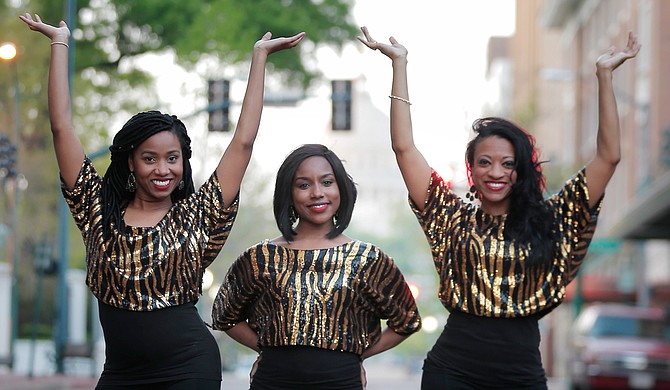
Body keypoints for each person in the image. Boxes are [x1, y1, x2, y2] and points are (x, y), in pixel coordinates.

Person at [20, 12, 305, 390]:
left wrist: (259, 59)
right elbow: (62, 128)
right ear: (130, 164)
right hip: (120, 374)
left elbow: (242, 142)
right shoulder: (97, 211)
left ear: (183, 162)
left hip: (188, 368)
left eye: (172, 158)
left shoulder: (198, 215)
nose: (163, 169)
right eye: (149, 158)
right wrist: (59, 43)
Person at [358, 26, 640, 389]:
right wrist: (400, 65)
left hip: (520, 375)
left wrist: (604, 77)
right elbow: (405, 150)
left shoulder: (553, 219)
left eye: (507, 163)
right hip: (452, 371)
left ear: (520, 170)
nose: (496, 172)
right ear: (471, 169)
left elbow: (609, 157)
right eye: (485, 162)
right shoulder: (451, 218)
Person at [211, 144, 422, 390]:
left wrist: (357, 356)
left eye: (327, 182)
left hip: (341, 382)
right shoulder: (260, 257)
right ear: (288, 194)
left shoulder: (368, 259)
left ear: (341, 188)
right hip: (273, 382)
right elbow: (224, 315)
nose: (317, 193)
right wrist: (266, 349)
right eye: (303, 185)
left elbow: (406, 321)